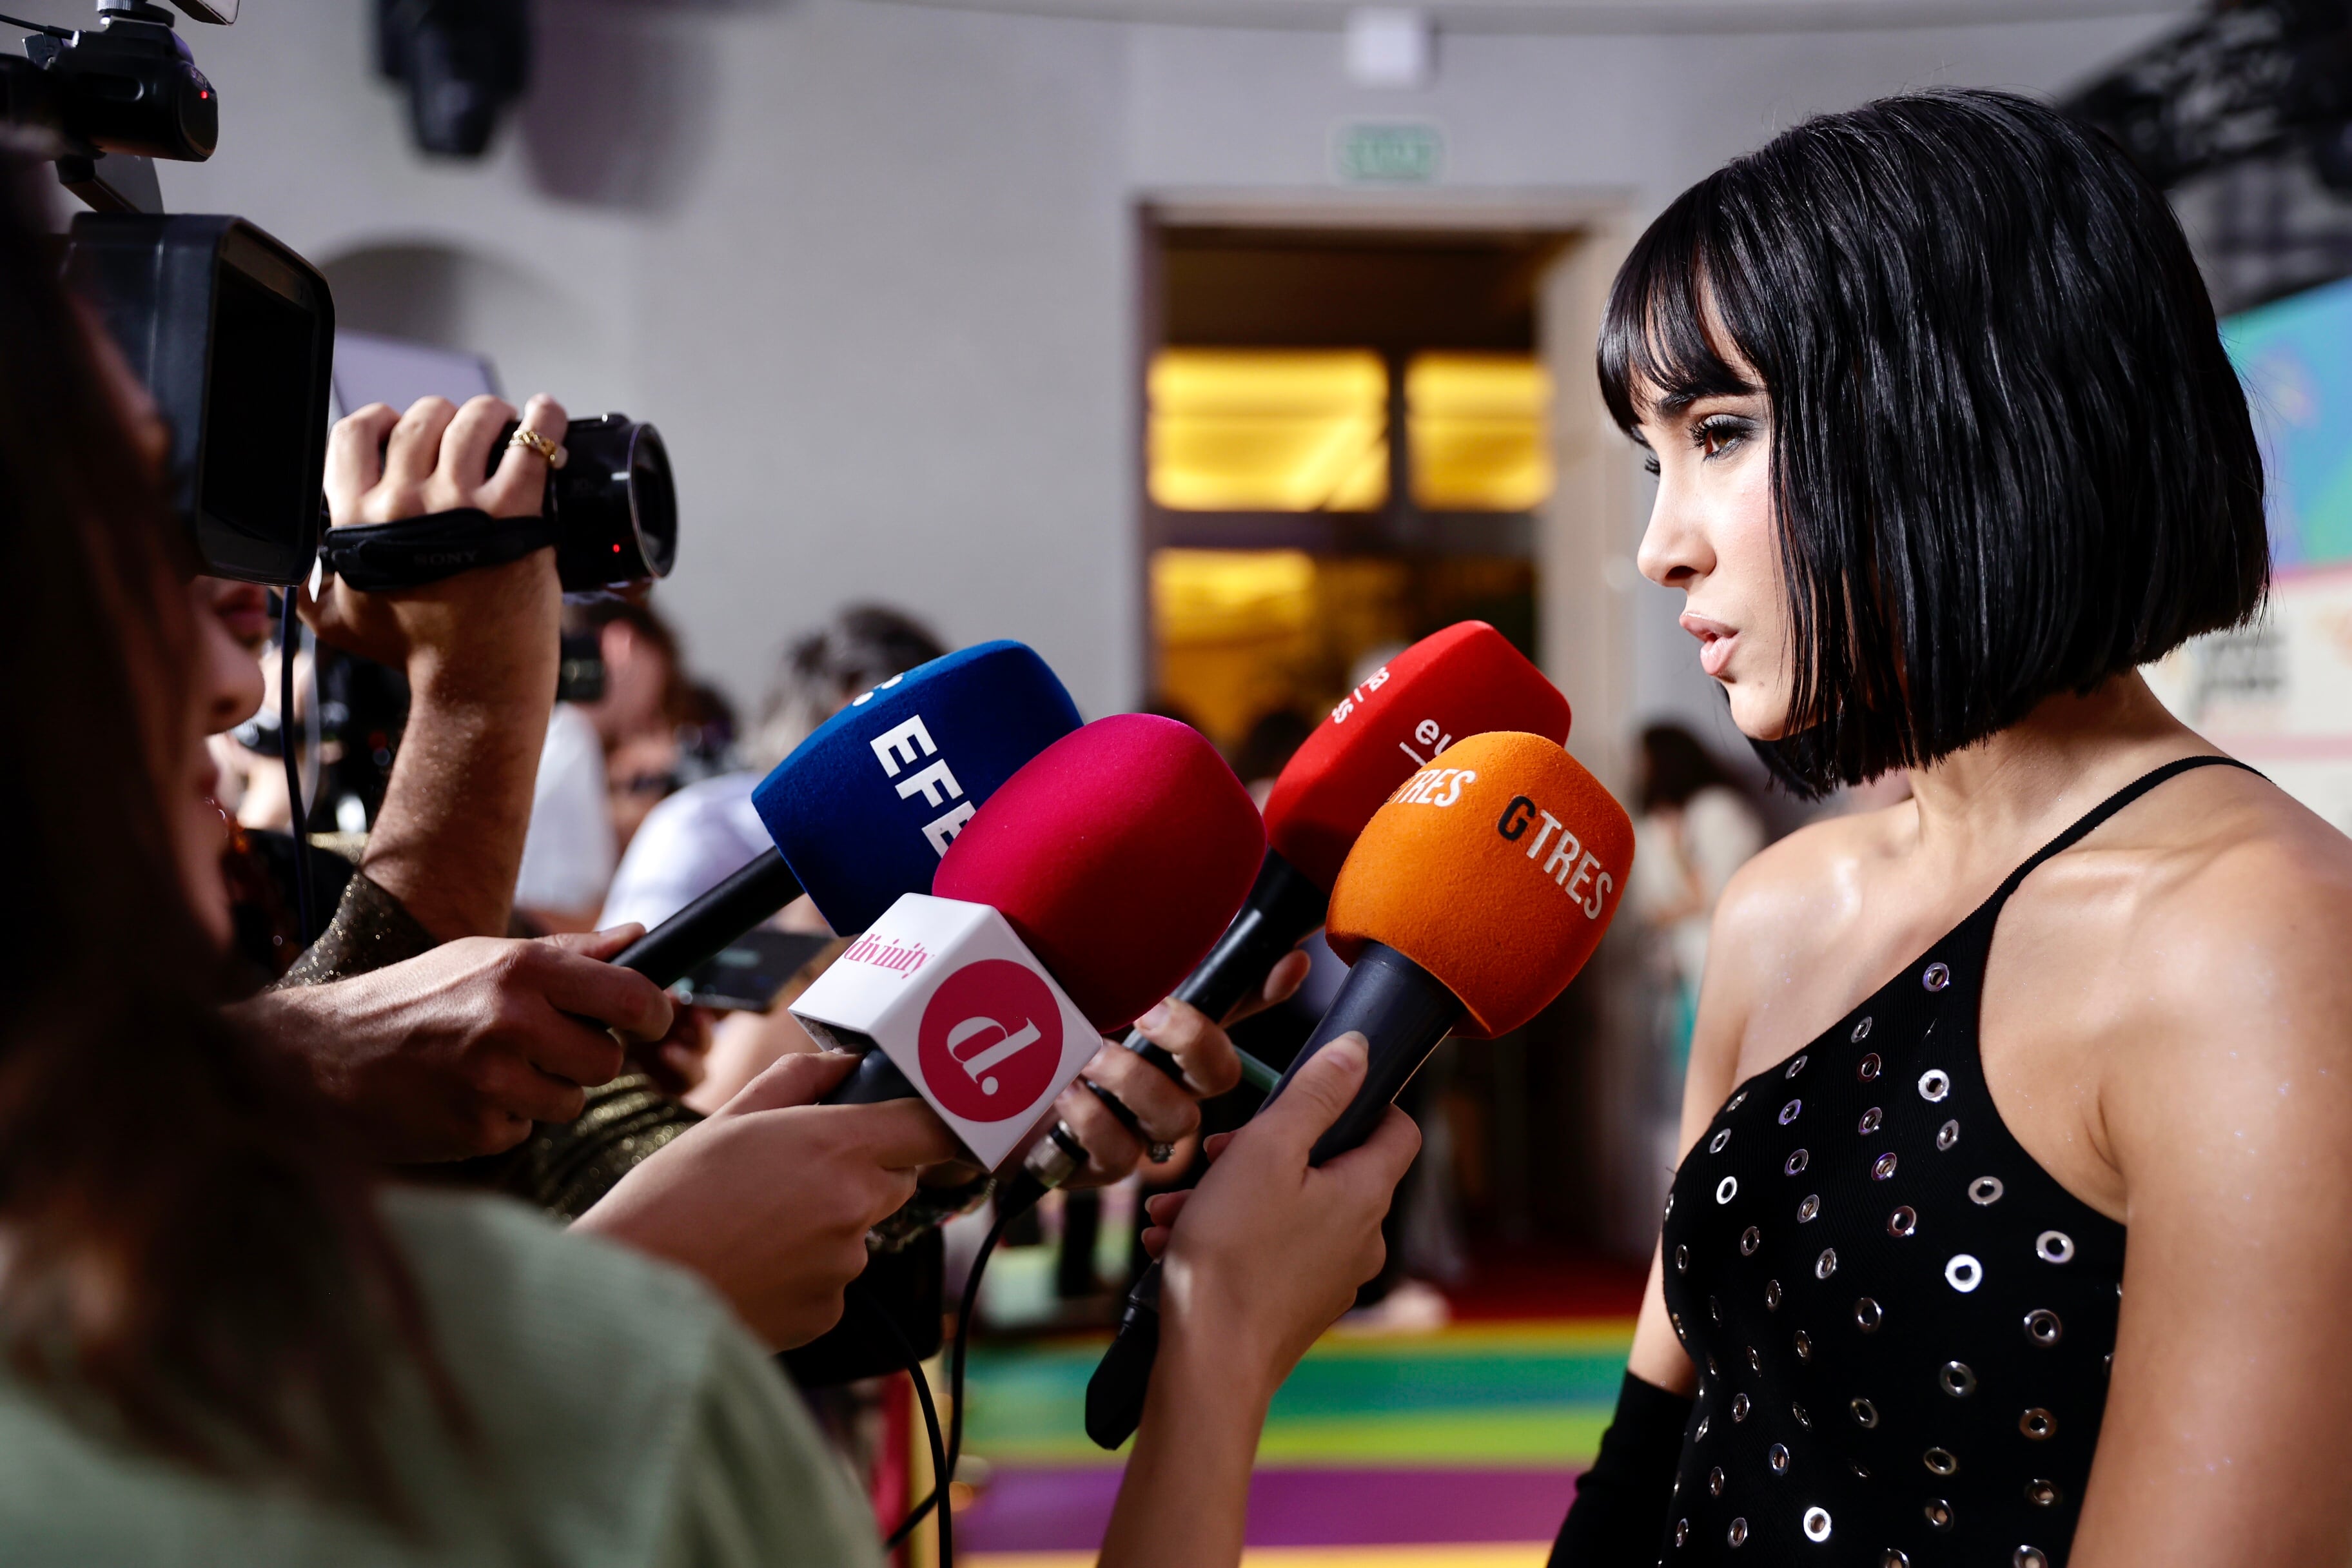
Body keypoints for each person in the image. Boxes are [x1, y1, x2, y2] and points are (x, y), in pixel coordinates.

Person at [1551, 91, 2352, 1566]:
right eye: (1654, 458)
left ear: (1954, 413)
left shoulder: (2261, 942)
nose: (1665, 542)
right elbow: (1644, 1467)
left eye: (1722, 431)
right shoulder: (1783, 907)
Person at [1629, 723, 1765, 1084]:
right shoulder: (1648, 825)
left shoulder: (1718, 811)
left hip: (1726, 958)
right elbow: (1649, 907)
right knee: (1698, 1074)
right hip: (1684, 973)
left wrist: (1678, 856)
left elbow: (1725, 891)